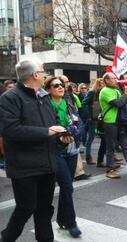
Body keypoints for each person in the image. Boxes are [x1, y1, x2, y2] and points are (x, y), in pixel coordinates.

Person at [0, 59, 72, 242]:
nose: (45, 74)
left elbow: (53, 122)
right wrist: (47, 131)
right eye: (43, 71)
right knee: (26, 207)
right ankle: (7, 237)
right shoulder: (9, 98)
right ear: (35, 75)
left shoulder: (44, 97)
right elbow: (10, 130)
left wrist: (60, 136)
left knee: (45, 209)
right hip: (24, 166)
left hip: (47, 163)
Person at [45, 76, 83, 237]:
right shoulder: (46, 108)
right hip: (56, 151)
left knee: (67, 188)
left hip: (72, 150)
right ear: (48, 90)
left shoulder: (69, 105)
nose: (60, 87)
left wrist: (69, 132)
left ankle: (61, 218)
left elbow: (79, 124)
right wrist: (60, 134)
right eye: (56, 86)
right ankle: (71, 222)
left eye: (62, 85)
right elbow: (45, 128)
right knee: (67, 187)